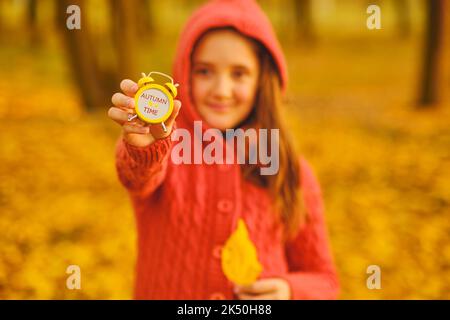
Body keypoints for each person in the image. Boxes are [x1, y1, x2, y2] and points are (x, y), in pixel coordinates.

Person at [107, 0, 339, 300]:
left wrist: (289, 290)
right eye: (204, 71)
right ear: (184, 74)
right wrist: (145, 148)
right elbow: (137, 176)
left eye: (239, 73)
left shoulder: (289, 169)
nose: (221, 89)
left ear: (261, 81)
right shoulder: (167, 148)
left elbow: (325, 280)